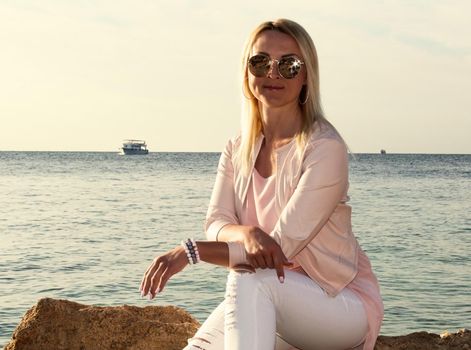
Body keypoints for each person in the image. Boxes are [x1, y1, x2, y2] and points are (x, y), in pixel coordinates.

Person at [139, 18, 384, 350]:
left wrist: (191, 252)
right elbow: (216, 222)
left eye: (289, 64)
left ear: (306, 76)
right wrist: (248, 233)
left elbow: (278, 251)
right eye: (260, 62)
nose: (273, 73)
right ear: (246, 72)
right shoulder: (238, 148)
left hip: (339, 304)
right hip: (273, 300)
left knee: (249, 278)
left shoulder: (325, 148)